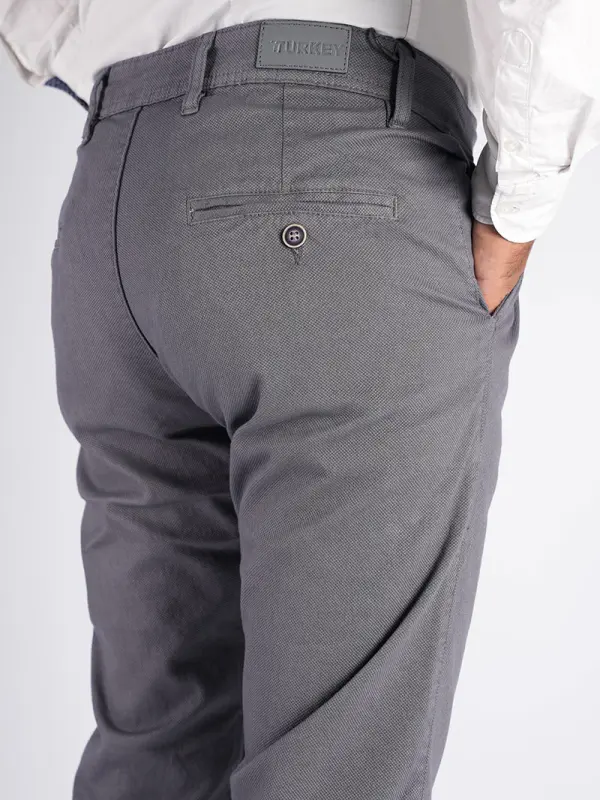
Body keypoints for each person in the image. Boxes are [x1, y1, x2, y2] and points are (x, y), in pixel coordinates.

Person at [1, 2, 598, 799]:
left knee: (158, 750)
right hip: (333, 167)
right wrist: (518, 204)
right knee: (332, 772)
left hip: (118, 185)